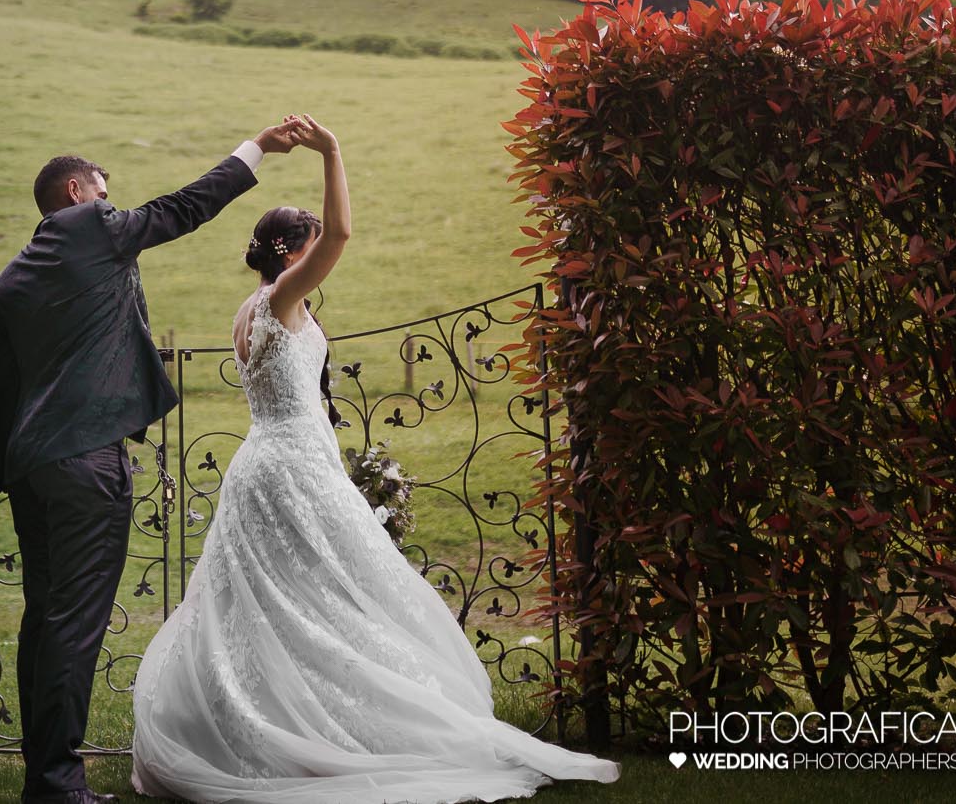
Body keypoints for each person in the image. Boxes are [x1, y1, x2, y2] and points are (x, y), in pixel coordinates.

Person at [130, 115, 621, 802]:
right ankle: (331, 727)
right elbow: (342, 234)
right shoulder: (283, 297)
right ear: (293, 251)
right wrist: (332, 150)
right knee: (342, 589)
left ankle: (279, 716)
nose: (316, 255)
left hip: (261, 464)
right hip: (294, 466)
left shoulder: (248, 307)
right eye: (306, 246)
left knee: (288, 600)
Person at [0, 118, 308, 804]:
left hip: (33, 466)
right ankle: (57, 786)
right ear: (78, 191)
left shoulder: (10, 281)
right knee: (73, 622)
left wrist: (16, 471)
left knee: (44, 618)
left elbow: (4, 385)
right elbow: (181, 209)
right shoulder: (91, 227)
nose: (114, 205)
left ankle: (44, 777)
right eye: (105, 191)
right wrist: (256, 148)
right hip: (86, 461)